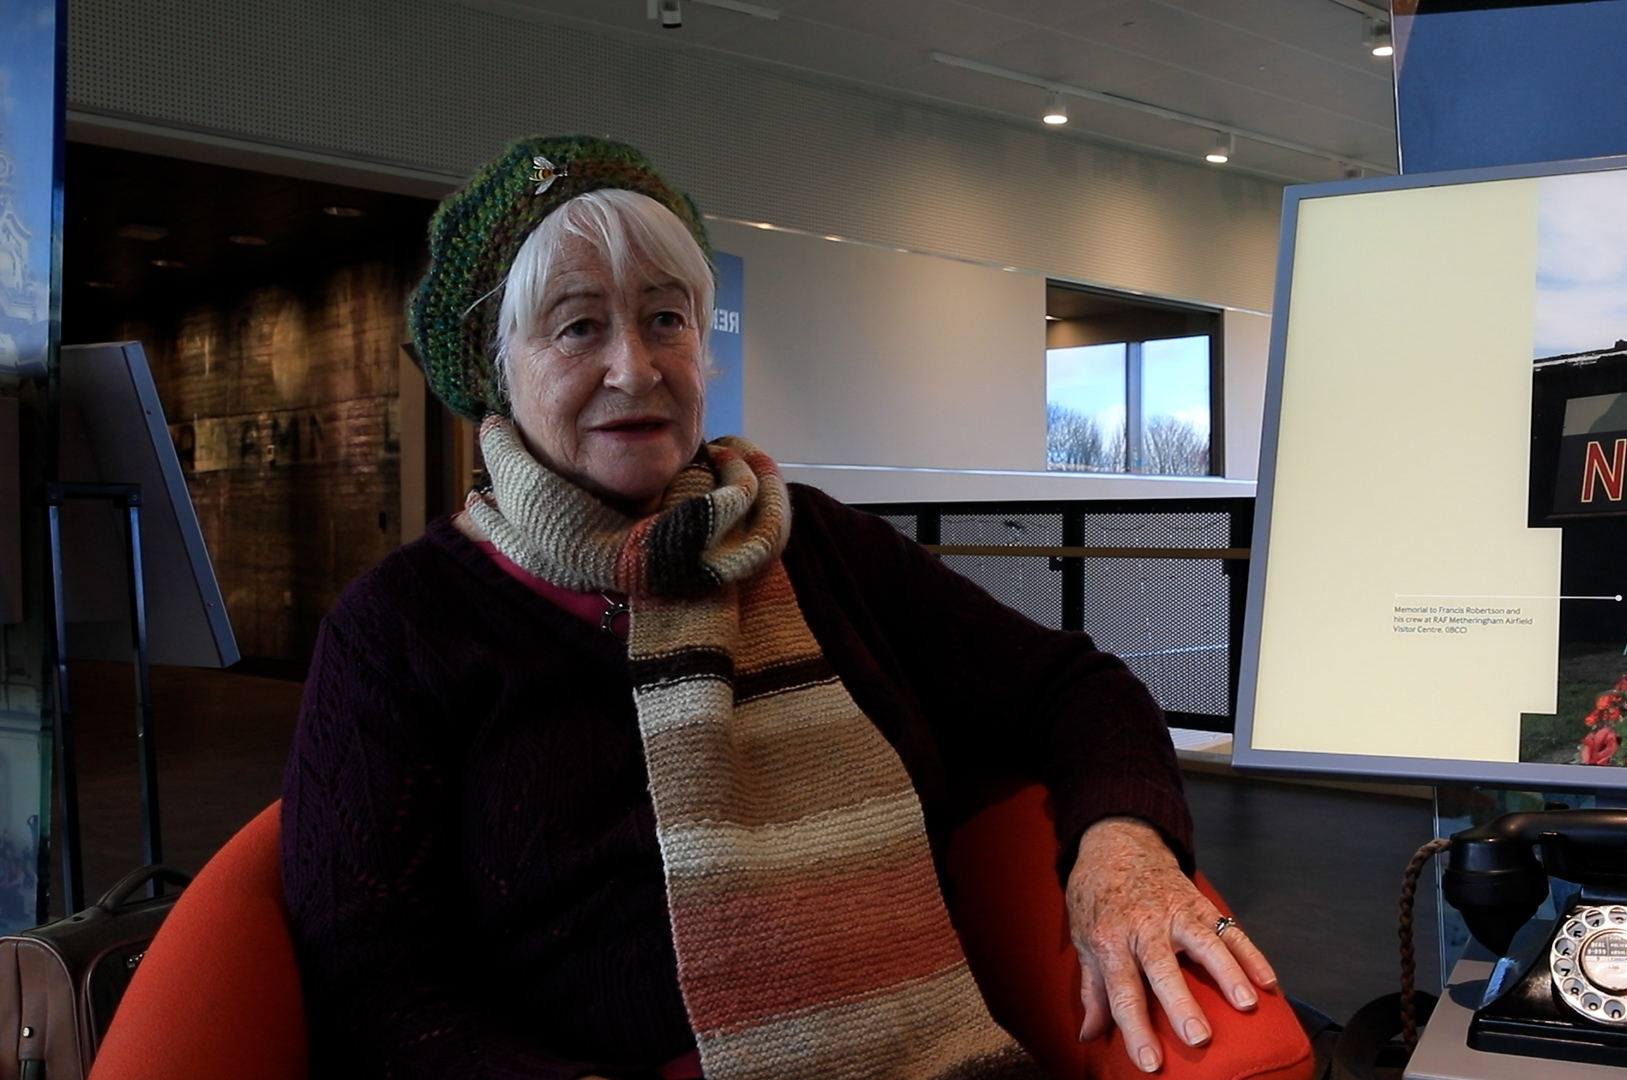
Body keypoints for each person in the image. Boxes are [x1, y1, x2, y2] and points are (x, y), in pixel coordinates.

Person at [281, 134, 1278, 1080]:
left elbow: (1074, 689)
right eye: (579, 325)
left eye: (667, 317)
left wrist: (1121, 851)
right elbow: (371, 981)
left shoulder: (818, 547)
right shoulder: (400, 630)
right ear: (497, 369)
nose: (635, 366)